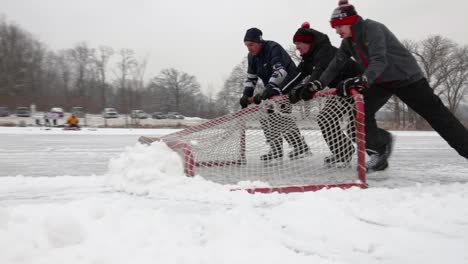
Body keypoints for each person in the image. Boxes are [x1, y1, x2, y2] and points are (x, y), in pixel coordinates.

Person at [309, 0, 468, 172]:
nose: (337, 31)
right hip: (381, 82)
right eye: (334, 28)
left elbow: (379, 59)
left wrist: (363, 79)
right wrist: (318, 84)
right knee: (359, 113)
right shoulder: (348, 41)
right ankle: (379, 150)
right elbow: (336, 64)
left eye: (339, 27)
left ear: (350, 21)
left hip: (407, 79)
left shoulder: (372, 28)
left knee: (439, 118)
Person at [287, 22, 363, 166]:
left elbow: (319, 71)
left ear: (308, 42)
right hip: (339, 91)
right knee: (325, 118)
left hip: (357, 88)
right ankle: (343, 152)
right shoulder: (308, 58)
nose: (296, 47)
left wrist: (309, 86)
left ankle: (380, 149)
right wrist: (286, 90)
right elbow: (296, 75)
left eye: (298, 43)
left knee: (355, 130)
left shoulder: (325, 50)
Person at [239, 27, 310, 162]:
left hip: (289, 85)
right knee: (266, 115)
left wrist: (270, 87)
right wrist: (245, 94)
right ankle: (276, 150)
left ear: (259, 42)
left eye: (251, 45)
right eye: (246, 45)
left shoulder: (273, 48)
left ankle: (300, 147)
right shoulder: (252, 57)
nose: (249, 48)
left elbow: (281, 72)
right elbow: (251, 78)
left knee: (279, 116)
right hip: (273, 89)